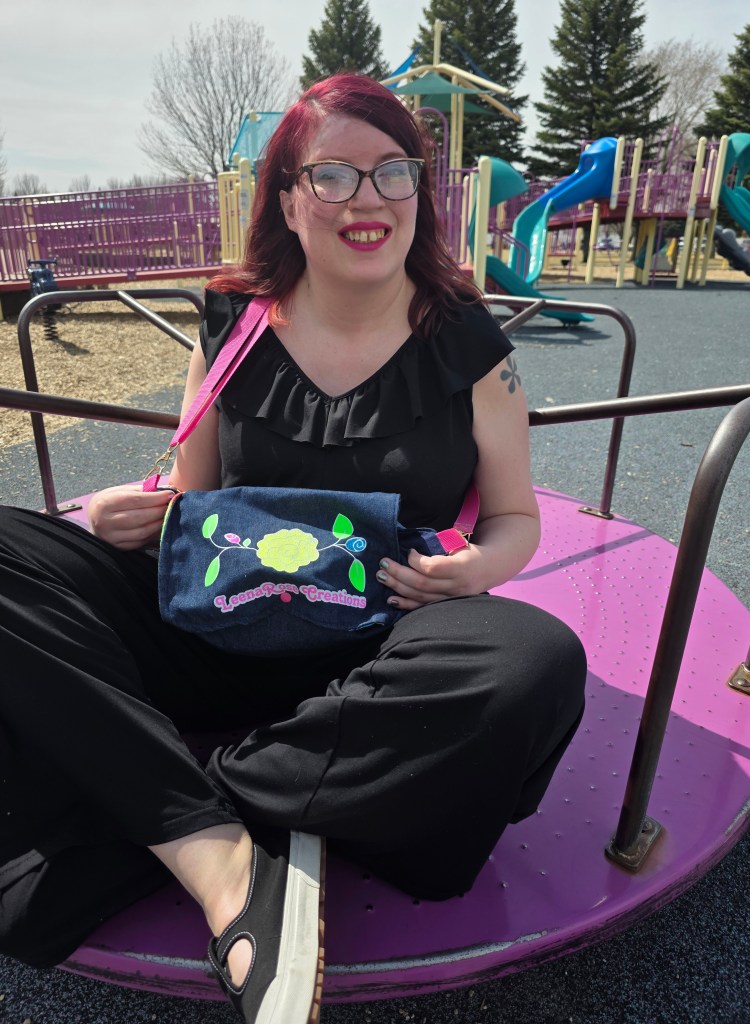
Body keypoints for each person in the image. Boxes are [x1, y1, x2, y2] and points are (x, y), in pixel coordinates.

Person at [0, 74, 586, 1024]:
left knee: (533, 663)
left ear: (420, 192)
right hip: (214, 621)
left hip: (384, 642)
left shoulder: (472, 344)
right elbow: (189, 492)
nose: (369, 200)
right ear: (287, 197)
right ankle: (228, 844)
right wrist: (139, 507)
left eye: (394, 173)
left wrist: (478, 569)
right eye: (336, 176)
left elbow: (514, 517)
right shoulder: (232, 322)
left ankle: (166, 803)